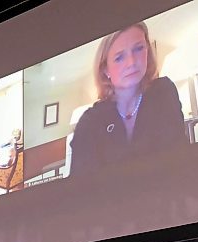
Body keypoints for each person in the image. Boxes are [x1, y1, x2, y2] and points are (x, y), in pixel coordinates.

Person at [70, 22, 187, 177]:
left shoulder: (163, 92)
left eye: (139, 49)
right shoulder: (90, 122)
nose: (132, 63)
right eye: (119, 58)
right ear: (106, 70)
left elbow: (182, 157)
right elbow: (79, 190)